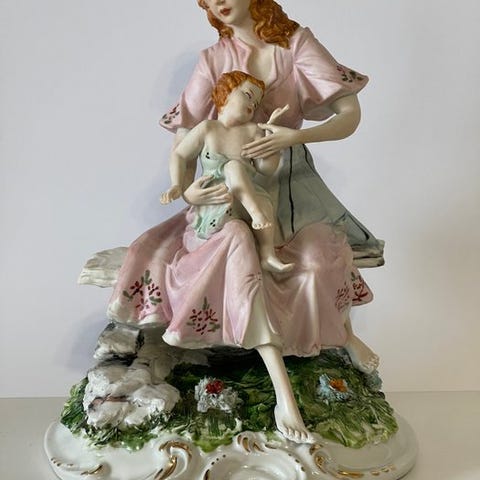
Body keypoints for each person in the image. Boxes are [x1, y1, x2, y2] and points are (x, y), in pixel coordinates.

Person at [107, 0, 383, 443]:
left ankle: (342, 336)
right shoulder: (212, 59)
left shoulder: (296, 44)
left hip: (291, 188)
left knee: (316, 263)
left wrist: (297, 135)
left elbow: (349, 114)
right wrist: (188, 190)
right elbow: (186, 136)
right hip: (226, 195)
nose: (217, 2)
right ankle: (269, 372)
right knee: (228, 252)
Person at [161, 70, 293, 273]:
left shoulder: (252, 131)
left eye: (256, 103)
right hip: (217, 197)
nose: (252, 105)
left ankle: (267, 255)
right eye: (248, 95)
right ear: (227, 91)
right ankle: (255, 215)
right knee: (233, 166)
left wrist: (269, 138)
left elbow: (267, 169)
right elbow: (179, 155)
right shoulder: (208, 128)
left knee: (262, 201)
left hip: (248, 197)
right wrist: (177, 185)